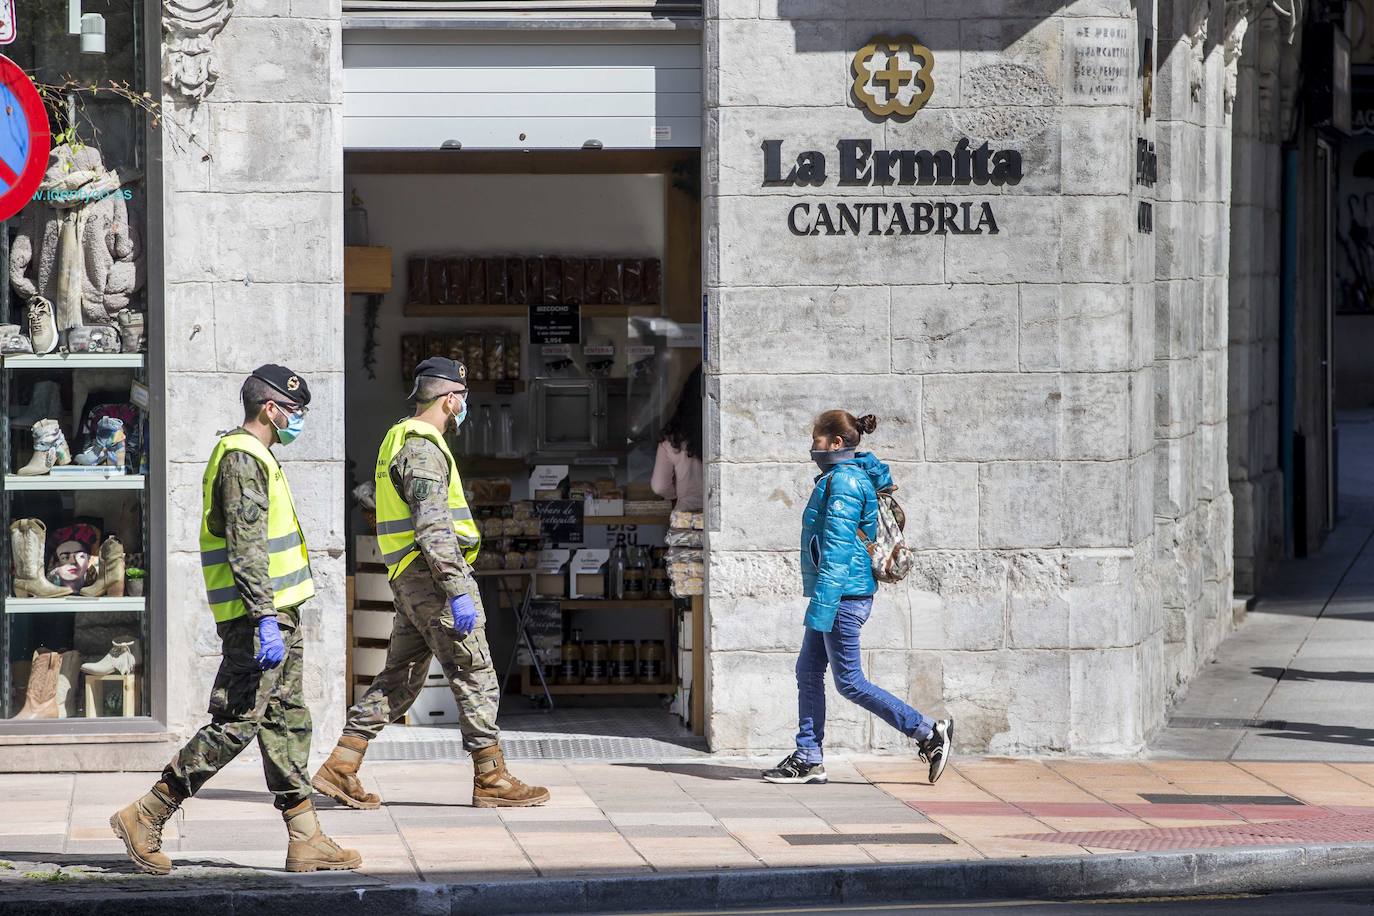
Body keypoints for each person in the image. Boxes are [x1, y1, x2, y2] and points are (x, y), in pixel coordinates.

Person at [110, 365, 361, 875]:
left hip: (277, 615)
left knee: (287, 719)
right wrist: (264, 618)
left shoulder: (257, 456)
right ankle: (147, 812)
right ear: (271, 409)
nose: (299, 420)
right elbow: (246, 549)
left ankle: (305, 836)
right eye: (295, 411)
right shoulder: (243, 459)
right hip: (257, 619)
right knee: (235, 723)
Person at [312, 357, 548, 809]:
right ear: (450, 398)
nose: (464, 408)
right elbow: (433, 526)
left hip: (410, 578)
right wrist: (458, 590)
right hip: (434, 579)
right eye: (462, 399)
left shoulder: (396, 437)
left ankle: (341, 766)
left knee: (399, 678)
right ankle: (492, 777)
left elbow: (370, 495)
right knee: (476, 673)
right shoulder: (423, 447)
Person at [762, 410, 953, 786]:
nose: (811, 446)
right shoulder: (841, 477)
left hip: (841, 596)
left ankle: (928, 732)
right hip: (838, 592)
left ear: (836, 442)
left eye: (817, 439)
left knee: (849, 681)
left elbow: (835, 549)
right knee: (808, 670)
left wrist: (823, 601)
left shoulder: (845, 482)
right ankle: (808, 756)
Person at [651, 366, 704, 511]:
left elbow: (659, 486)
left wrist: (675, 495)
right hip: (725, 517)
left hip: (685, 517)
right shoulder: (727, 435)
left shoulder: (673, 438)